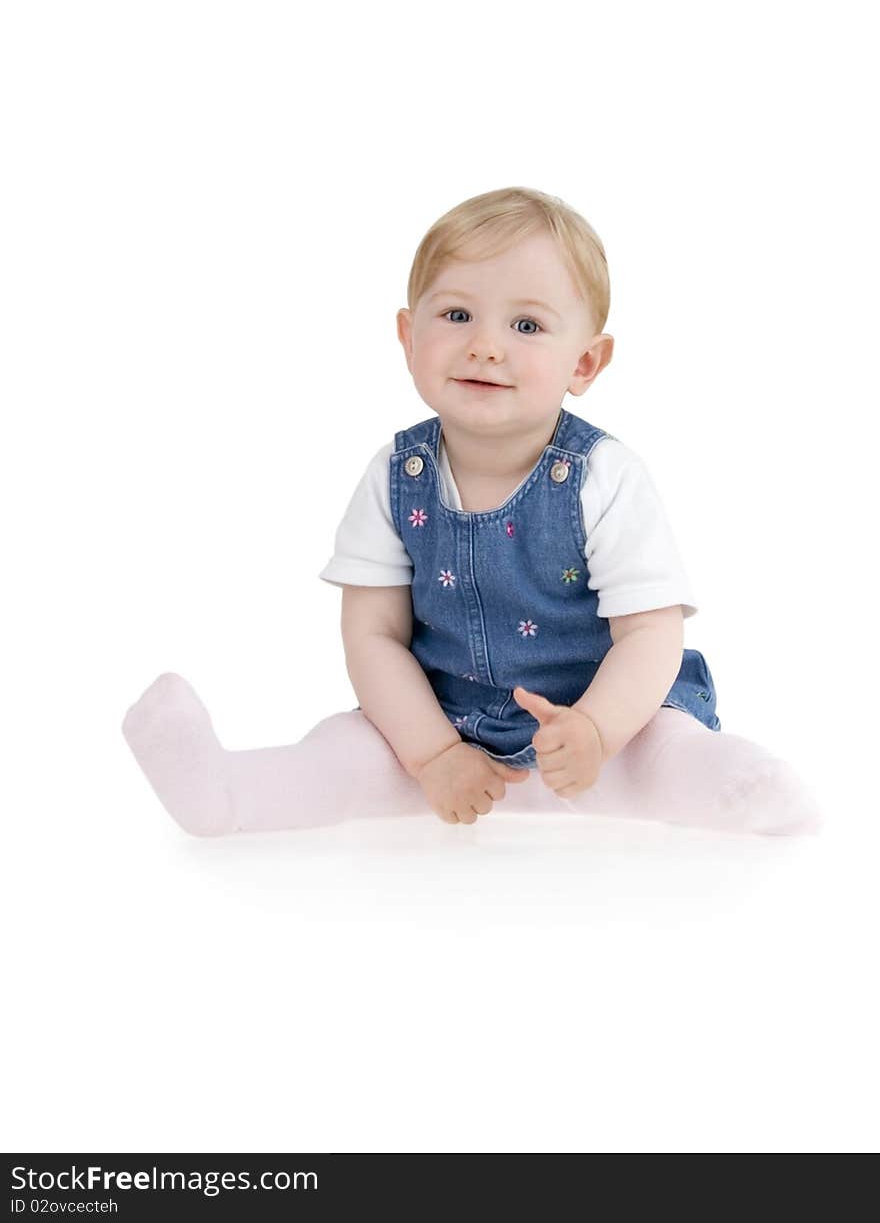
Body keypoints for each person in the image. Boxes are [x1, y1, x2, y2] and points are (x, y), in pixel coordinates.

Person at [121, 187, 822, 838]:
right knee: (345, 755)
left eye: (526, 324)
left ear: (585, 364)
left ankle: (741, 789)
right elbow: (374, 637)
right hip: (443, 728)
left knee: (667, 754)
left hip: (603, 725)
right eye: (457, 315)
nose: (486, 344)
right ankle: (224, 796)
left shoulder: (602, 477)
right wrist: (431, 757)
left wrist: (597, 732)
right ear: (407, 335)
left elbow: (651, 635)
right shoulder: (397, 476)